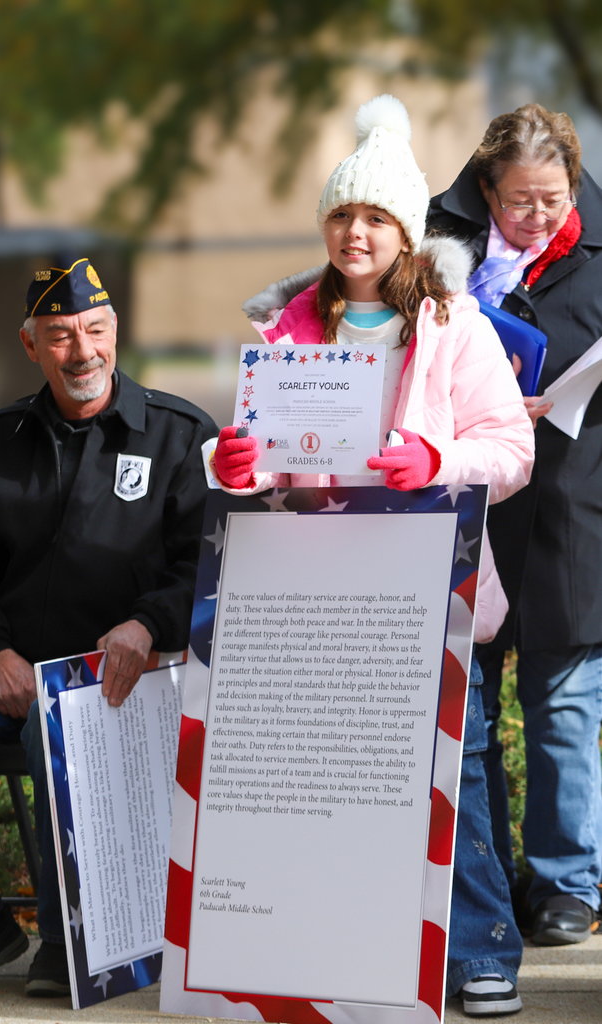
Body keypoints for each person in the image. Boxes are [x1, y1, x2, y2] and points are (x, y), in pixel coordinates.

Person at [212, 95, 534, 1017]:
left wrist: (436, 461)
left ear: (406, 229)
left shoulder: (452, 325)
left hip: (427, 578)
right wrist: (233, 462)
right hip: (314, 589)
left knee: (457, 762)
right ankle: (338, 941)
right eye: (341, 214)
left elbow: (510, 451)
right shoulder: (287, 333)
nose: (356, 232)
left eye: (376, 217)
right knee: (332, 777)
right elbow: (255, 454)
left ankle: (479, 951)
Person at [0, 259, 217, 996]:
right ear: (31, 347)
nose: (81, 351)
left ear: (116, 332)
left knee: (46, 728)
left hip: (131, 678)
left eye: (93, 330)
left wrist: (148, 623)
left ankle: (66, 936)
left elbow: (208, 566)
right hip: (12, 673)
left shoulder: (181, 437)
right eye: (59, 336)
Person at [427, 104, 602, 947]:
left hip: (573, 501)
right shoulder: (434, 247)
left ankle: (567, 882)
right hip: (466, 502)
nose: (538, 217)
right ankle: (485, 872)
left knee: (564, 701)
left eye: (555, 199)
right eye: (519, 201)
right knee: (471, 705)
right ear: (484, 188)